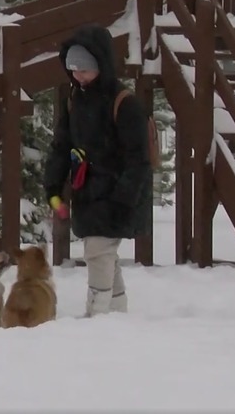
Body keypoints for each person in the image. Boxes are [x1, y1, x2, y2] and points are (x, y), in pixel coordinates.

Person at [43, 24, 153, 317]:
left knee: (97, 252)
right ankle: (116, 312)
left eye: (85, 69)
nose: (78, 75)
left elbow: (138, 159)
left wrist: (123, 199)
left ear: (100, 65)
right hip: (88, 190)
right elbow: (62, 144)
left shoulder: (124, 104)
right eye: (73, 69)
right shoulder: (75, 99)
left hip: (118, 192)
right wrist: (53, 185)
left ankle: (98, 313)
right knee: (102, 254)